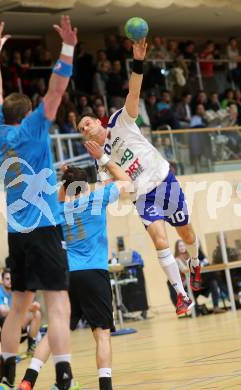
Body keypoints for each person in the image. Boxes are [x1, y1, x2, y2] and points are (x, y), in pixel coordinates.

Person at [0, 17, 79, 390]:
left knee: (19, 307)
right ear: (27, 116)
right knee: (58, 305)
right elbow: (55, 91)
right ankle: (64, 377)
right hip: (44, 228)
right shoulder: (31, 129)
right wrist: (67, 48)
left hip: (16, 233)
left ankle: (6, 379)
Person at [77, 38, 201, 316]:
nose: (85, 128)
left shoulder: (121, 119)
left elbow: (134, 90)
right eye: (80, 129)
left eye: (86, 122)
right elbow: (119, 187)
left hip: (164, 181)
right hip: (143, 196)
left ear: (98, 121)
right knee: (159, 240)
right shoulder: (100, 160)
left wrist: (138, 60)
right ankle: (181, 296)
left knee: (187, 232)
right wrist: (89, 187)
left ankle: (195, 263)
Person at [16, 154, 131, 390]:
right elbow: (125, 180)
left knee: (55, 333)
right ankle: (105, 386)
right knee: (102, 334)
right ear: (86, 185)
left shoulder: (57, 209)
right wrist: (103, 157)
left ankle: (29, 379)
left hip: (68, 277)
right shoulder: (97, 198)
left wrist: (65, 179)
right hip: (94, 273)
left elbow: (60, 196)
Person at [0, 269, 42, 355]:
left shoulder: (17, 291)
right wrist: (26, 308)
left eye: (12, 279)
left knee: (36, 314)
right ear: (2, 280)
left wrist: (33, 306)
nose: (10, 281)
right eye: (7, 279)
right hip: (2, 322)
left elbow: (26, 305)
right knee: (15, 318)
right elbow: (3, 312)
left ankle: (31, 345)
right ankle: (11, 352)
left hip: (17, 318)